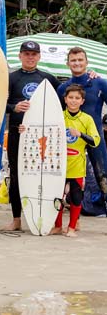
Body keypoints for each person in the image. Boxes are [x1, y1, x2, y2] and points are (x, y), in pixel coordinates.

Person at [5, 40, 61, 231]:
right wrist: (13, 107)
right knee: (16, 175)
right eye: (26, 54)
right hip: (16, 132)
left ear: (39, 56)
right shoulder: (11, 78)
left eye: (34, 54)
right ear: (20, 56)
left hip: (41, 137)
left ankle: (42, 217)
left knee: (42, 174)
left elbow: (67, 99)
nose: (30, 57)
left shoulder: (48, 79)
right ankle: (16, 219)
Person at [57, 47, 107, 213]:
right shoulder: (62, 88)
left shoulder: (99, 83)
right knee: (67, 176)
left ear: (86, 62)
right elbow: (54, 115)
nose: (77, 63)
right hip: (70, 138)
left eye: (80, 60)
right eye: (73, 60)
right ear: (68, 64)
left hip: (94, 136)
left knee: (103, 174)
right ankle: (70, 214)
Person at [51, 84, 100, 237]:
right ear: (65, 99)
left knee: (76, 197)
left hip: (77, 165)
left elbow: (95, 141)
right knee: (56, 197)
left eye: (77, 98)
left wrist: (80, 134)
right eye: (70, 98)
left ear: (82, 101)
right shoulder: (58, 116)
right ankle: (58, 226)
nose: (73, 101)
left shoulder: (87, 119)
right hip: (58, 165)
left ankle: (71, 228)